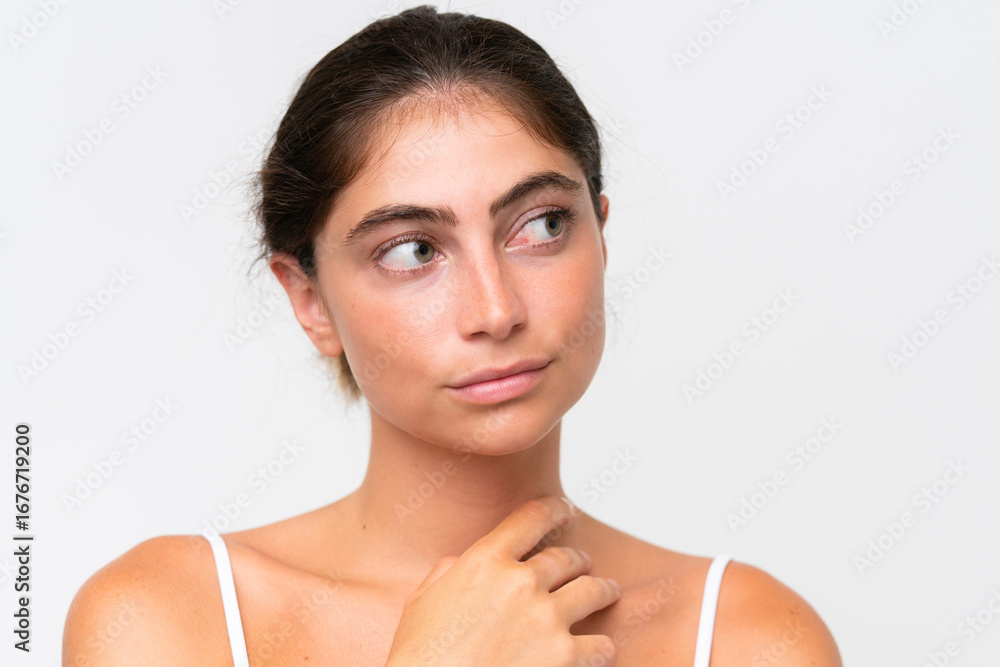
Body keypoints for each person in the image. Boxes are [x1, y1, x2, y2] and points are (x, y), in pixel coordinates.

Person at [63, 5, 843, 665]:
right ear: (311, 300)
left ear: (601, 236)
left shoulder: (748, 637)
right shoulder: (165, 619)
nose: (496, 310)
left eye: (541, 225)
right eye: (413, 251)